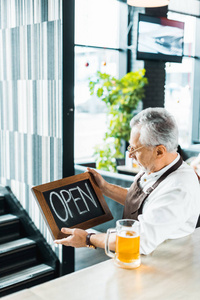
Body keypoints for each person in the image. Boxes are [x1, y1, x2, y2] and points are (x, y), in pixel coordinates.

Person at [54, 107, 200, 255]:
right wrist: (105, 187)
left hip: (159, 263)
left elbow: (138, 241)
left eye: (135, 149)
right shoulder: (154, 167)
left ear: (159, 151)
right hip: (132, 256)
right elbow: (143, 203)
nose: (130, 155)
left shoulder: (179, 188)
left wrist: (88, 238)